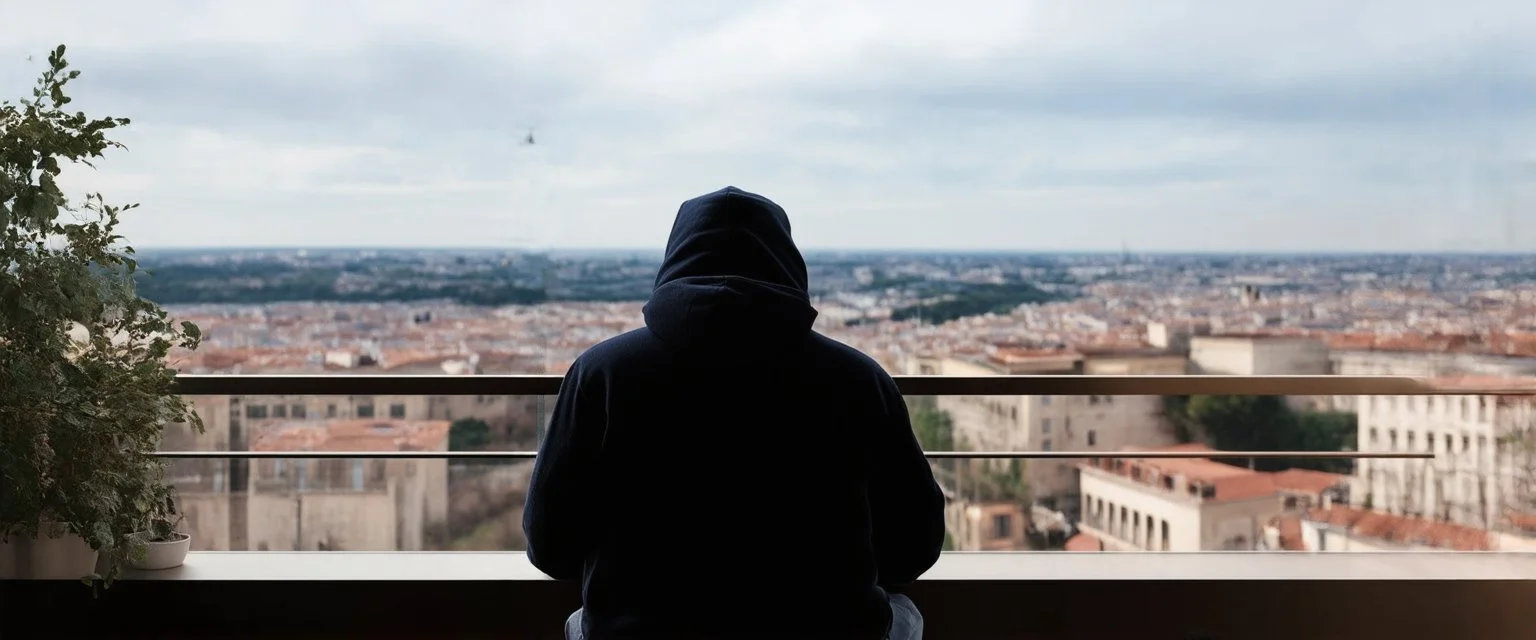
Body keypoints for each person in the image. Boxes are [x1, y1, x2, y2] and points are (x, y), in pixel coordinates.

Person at [523, 186, 946, 640]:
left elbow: (551, 546)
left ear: (675, 258)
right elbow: (914, 547)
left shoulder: (600, 373)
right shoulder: (858, 378)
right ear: (787, 262)